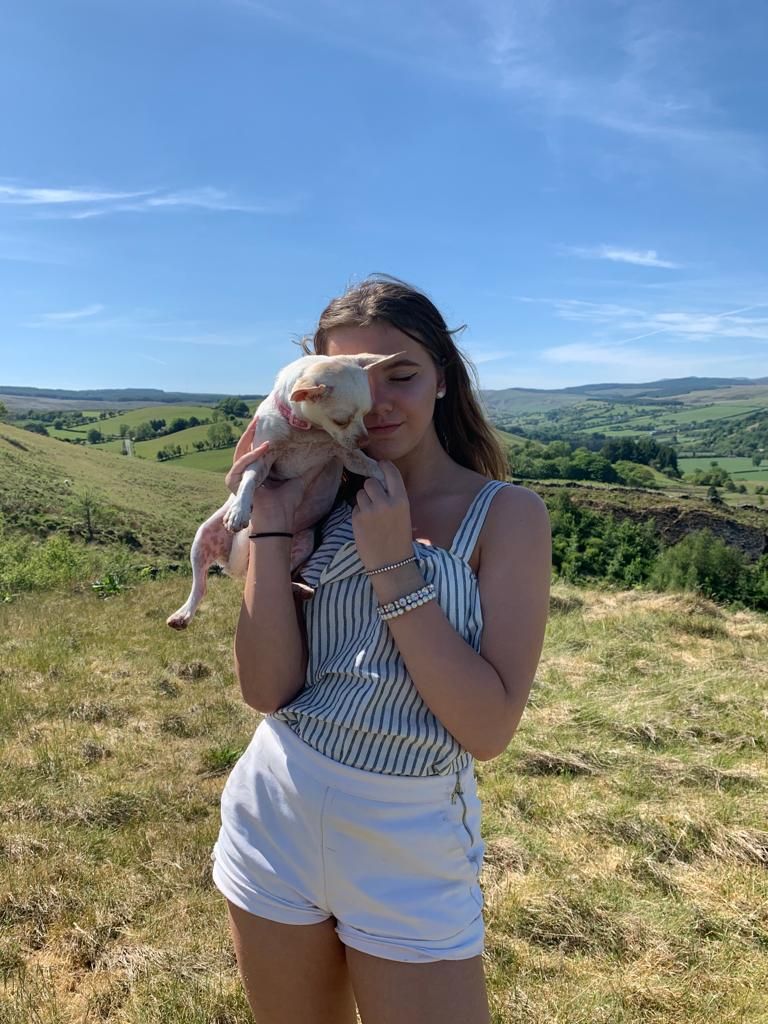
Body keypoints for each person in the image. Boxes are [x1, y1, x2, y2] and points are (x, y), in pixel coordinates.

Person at [210, 275, 551, 1024]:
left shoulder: (507, 516)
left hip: (408, 847)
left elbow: (487, 729)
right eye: (344, 378)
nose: (377, 402)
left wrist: (393, 563)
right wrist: (268, 524)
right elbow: (267, 690)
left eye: (402, 374)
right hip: (275, 817)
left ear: (442, 381)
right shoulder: (312, 503)